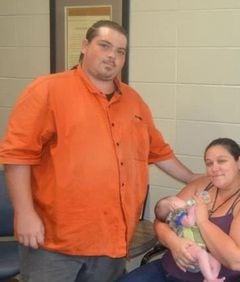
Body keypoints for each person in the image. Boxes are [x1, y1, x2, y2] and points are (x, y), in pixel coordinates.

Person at [0, 20, 199, 282]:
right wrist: (25, 214)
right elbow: (17, 156)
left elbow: (159, 152)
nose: (112, 56)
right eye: (104, 46)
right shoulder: (47, 90)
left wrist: (195, 179)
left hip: (111, 244)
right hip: (55, 245)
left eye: (120, 51)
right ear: (84, 46)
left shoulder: (134, 101)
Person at [120, 137, 240, 282]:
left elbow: (238, 261)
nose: (214, 168)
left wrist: (202, 221)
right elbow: (161, 221)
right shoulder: (202, 184)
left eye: (221, 161)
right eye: (209, 163)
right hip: (167, 270)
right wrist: (174, 243)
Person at [154, 193, 223, 282]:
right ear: (173, 205)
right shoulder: (176, 215)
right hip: (189, 248)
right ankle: (210, 278)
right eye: (177, 199)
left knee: (216, 260)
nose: (183, 200)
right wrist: (192, 208)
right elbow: (189, 222)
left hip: (198, 247)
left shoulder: (182, 212)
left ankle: (212, 277)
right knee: (202, 254)